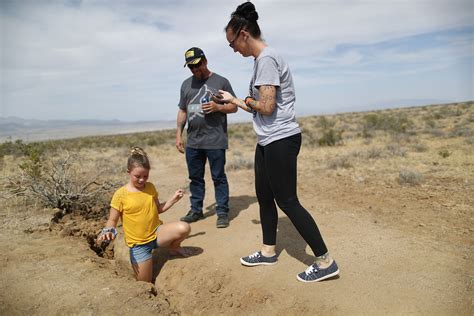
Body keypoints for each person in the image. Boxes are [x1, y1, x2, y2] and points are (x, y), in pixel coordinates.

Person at [219, 2, 339, 283]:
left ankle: (325, 261)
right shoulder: (260, 62)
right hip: (267, 140)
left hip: (281, 139)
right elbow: (259, 105)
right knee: (264, 195)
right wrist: (233, 100)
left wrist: (246, 100)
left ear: (244, 34)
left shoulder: (267, 59)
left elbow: (267, 106)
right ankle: (268, 251)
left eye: (232, 43)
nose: (233, 49)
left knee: (287, 201)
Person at [97, 147, 191, 283]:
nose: (142, 180)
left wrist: (173, 199)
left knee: (184, 228)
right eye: (138, 176)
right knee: (144, 284)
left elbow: (157, 209)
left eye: (145, 176)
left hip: (157, 234)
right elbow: (112, 219)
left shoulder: (150, 187)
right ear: (128, 172)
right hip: (139, 245)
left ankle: (174, 249)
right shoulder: (120, 195)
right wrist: (108, 229)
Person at [176, 47, 237, 228]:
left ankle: (222, 212)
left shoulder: (221, 81)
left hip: (215, 139)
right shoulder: (186, 85)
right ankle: (196, 210)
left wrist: (218, 108)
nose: (195, 69)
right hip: (194, 141)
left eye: (197, 65)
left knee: (218, 177)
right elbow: (182, 110)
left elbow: (233, 107)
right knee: (195, 177)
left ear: (205, 60)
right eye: (191, 67)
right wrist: (178, 133)